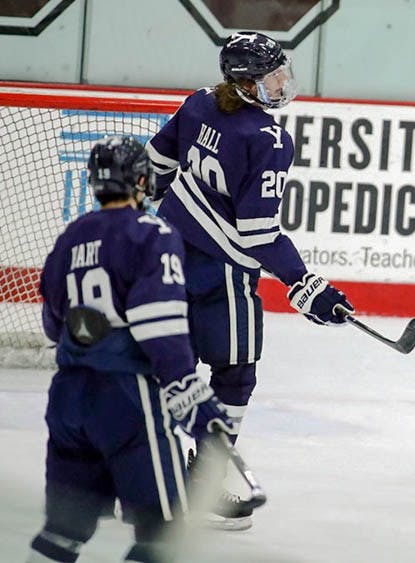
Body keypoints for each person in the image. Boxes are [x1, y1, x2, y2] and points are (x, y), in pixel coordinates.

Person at [145, 31, 354, 529]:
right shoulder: (267, 139)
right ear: (242, 83)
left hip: (163, 259)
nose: (280, 85)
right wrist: (306, 284)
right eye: (269, 77)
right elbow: (259, 235)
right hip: (222, 276)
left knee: (160, 368)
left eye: (281, 72)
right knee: (235, 375)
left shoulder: (198, 103)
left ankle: (137, 473)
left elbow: (157, 162)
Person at [29, 136, 236, 563]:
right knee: (161, 532)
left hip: (68, 398)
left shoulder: (72, 236)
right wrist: (189, 393)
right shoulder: (152, 234)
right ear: (142, 180)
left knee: (63, 532)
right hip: (127, 400)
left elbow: (53, 325)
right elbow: (159, 328)